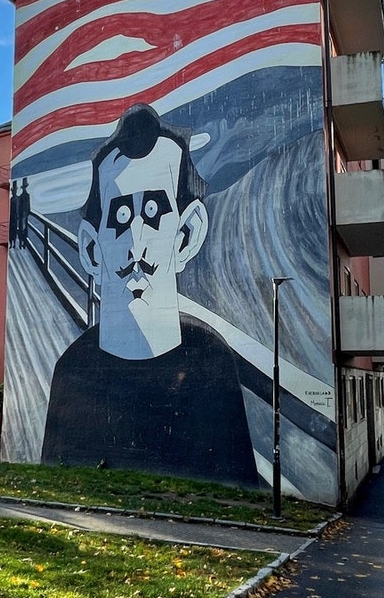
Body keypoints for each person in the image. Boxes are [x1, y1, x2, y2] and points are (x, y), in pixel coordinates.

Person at [40, 104, 253, 484]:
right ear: (91, 249)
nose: (136, 244)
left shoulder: (213, 363)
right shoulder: (73, 370)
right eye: (121, 216)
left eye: (153, 212)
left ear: (187, 236)